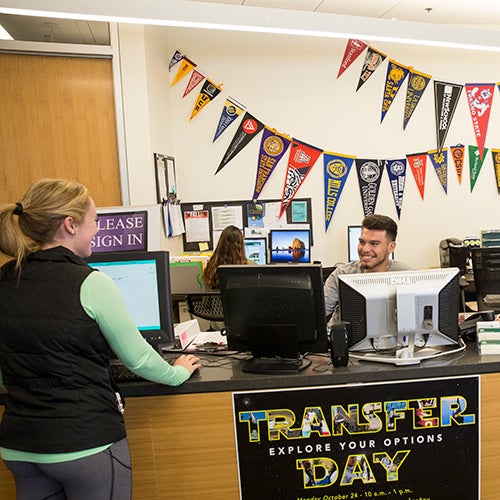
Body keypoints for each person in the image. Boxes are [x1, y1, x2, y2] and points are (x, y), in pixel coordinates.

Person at [0, 178, 201, 500]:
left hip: (19, 446)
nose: (96, 231)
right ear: (70, 225)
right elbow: (139, 360)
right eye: (94, 222)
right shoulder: (91, 282)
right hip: (83, 442)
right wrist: (178, 371)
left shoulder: (5, 278)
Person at [324, 214, 411, 321]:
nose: (365, 249)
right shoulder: (342, 274)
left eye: (374, 243)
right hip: (342, 336)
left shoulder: (407, 276)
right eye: (362, 242)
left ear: (391, 247)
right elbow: (319, 312)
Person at [202, 225, 256, 290]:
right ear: (241, 245)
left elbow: (205, 294)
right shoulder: (251, 266)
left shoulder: (210, 268)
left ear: (220, 243)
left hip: (217, 300)